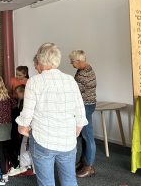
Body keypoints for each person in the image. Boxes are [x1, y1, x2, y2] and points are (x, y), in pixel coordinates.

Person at [16, 42, 88, 186]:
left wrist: (22, 127)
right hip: (67, 141)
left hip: (43, 140)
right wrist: (73, 132)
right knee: (69, 181)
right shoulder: (70, 80)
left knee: (46, 182)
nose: (36, 65)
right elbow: (80, 113)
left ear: (41, 60)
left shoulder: (34, 82)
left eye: (36, 62)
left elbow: (27, 113)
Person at [69, 50, 97, 178]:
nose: (71, 64)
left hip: (85, 106)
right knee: (85, 137)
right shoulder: (87, 68)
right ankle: (84, 162)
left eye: (72, 62)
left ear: (79, 61)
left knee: (88, 137)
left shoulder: (82, 75)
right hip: (89, 104)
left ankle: (89, 166)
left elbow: (74, 93)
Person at [0, 74, 19, 180]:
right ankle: (15, 164)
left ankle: (4, 173)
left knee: (0, 150)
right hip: (8, 124)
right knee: (7, 146)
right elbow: (15, 105)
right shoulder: (7, 94)